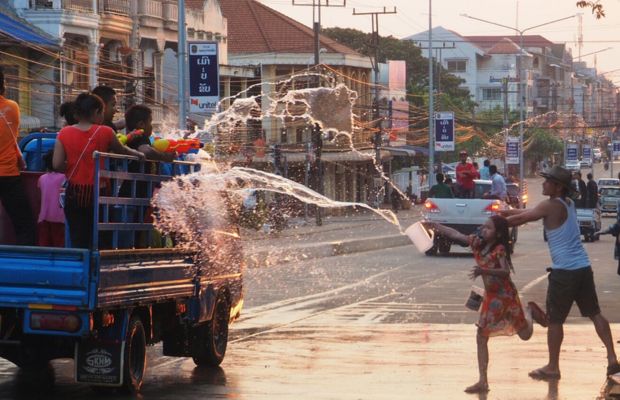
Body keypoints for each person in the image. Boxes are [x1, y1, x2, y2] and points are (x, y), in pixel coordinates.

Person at [500, 165, 620, 380]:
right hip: (582, 267)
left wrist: (493, 224)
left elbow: (523, 219)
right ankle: (612, 358)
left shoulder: (551, 205)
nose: (544, 184)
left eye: (547, 181)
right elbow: (527, 212)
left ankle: (553, 366)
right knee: (595, 313)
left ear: (557, 187)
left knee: (555, 320)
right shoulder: (567, 202)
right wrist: (503, 213)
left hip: (564, 272)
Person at [430, 215, 533, 393]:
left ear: (498, 234)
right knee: (481, 335)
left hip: (505, 297)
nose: (484, 230)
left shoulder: (499, 249)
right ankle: (483, 381)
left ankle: (531, 312)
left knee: (524, 334)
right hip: (491, 297)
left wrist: (483, 270)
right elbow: (456, 235)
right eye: (484, 227)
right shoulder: (477, 243)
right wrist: (435, 225)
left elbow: (505, 271)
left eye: (488, 228)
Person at [52, 92, 144, 249]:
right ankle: (98, 269)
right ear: (96, 112)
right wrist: (139, 154)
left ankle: (82, 269)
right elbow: (122, 150)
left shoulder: (64, 133)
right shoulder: (105, 132)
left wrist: (72, 166)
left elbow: (57, 164)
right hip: (99, 194)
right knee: (100, 237)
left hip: (74, 193)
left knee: (78, 237)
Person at [0, 67, 36, 245]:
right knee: (24, 224)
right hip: (8, 175)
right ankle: (27, 262)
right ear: (3, 85)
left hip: (9, 173)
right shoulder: (11, 108)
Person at [37, 151, 65, 247]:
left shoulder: (41, 178)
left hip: (43, 216)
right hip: (60, 217)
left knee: (44, 245)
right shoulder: (64, 178)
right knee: (59, 245)